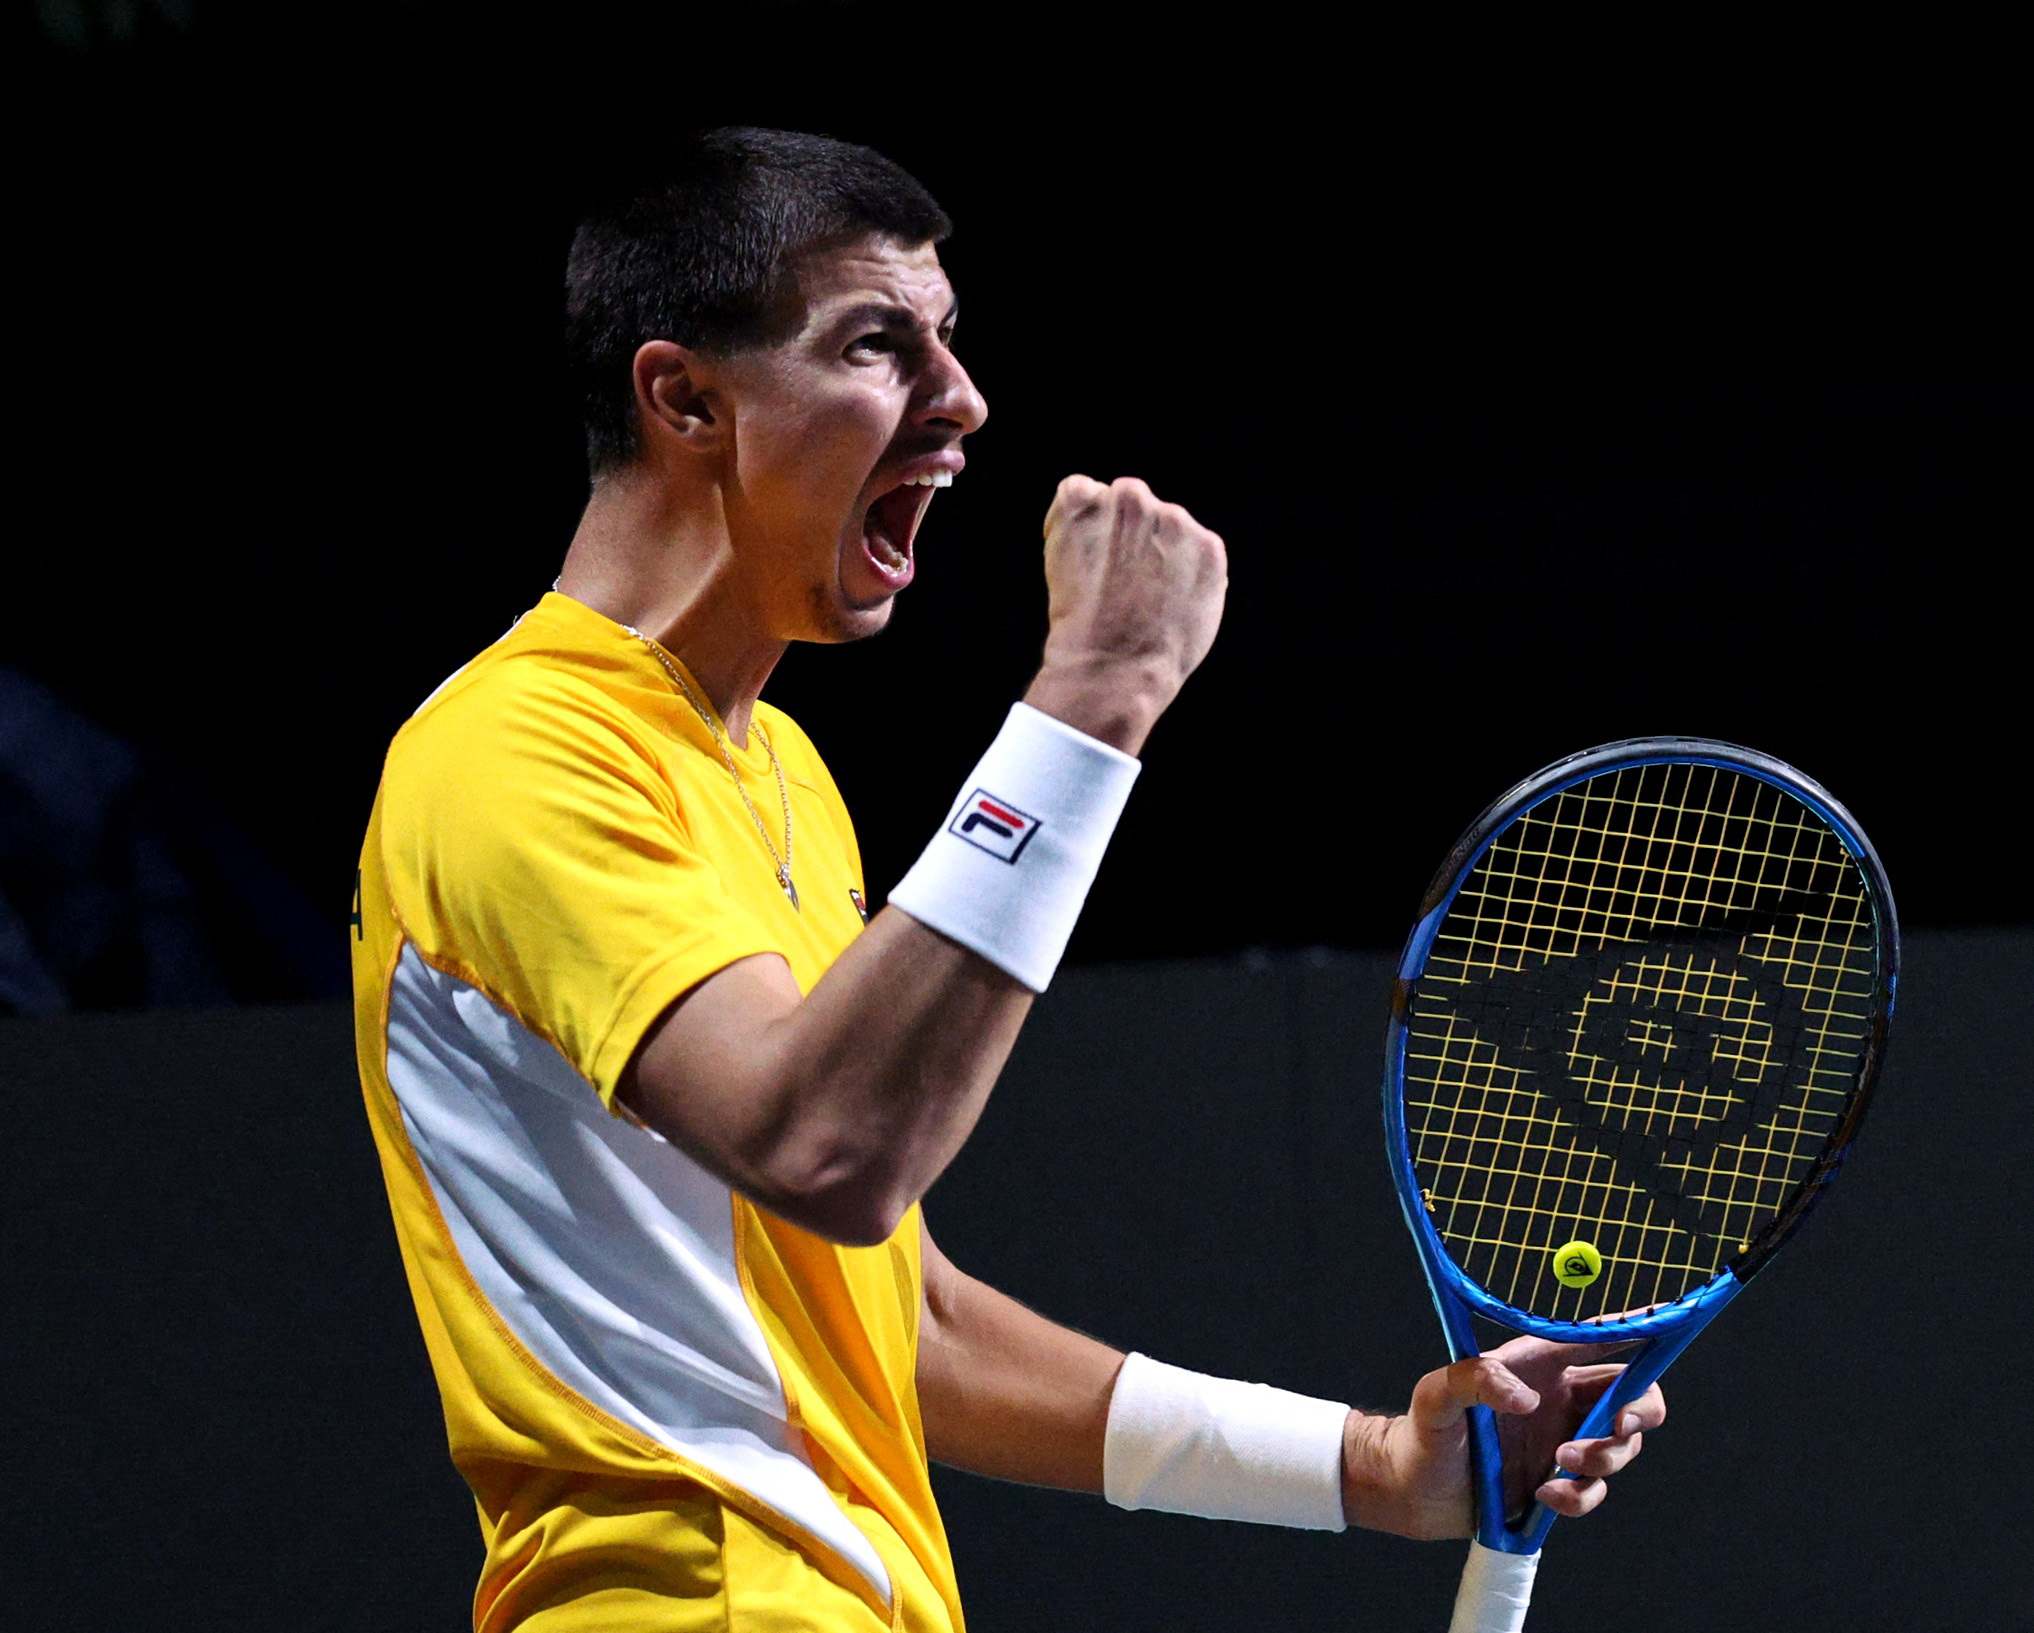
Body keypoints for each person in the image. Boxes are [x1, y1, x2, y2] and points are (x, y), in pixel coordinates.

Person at [350, 127, 1666, 1633]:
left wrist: (1377, 1463)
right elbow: (833, 1148)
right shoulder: (514, 750)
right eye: (877, 344)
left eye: (951, 344)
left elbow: (907, 1318)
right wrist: (1094, 697)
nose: (961, 401)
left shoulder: (783, 779)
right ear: (684, 398)